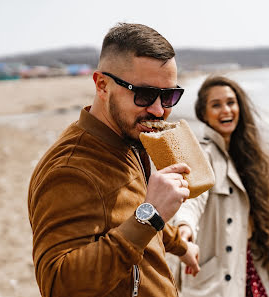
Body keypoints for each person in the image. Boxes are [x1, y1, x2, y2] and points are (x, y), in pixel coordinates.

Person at [28, 23, 200, 297]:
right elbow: (58, 285)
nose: (158, 110)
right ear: (102, 85)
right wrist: (151, 215)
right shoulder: (71, 168)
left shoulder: (128, 138)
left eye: (169, 96)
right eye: (144, 94)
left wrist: (180, 245)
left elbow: (134, 214)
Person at [172, 76, 269, 297]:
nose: (226, 110)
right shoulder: (204, 154)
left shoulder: (243, 155)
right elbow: (193, 197)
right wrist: (184, 227)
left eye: (231, 103)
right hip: (218, 278)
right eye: (216, 105)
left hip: (248, 265)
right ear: (203, 114)